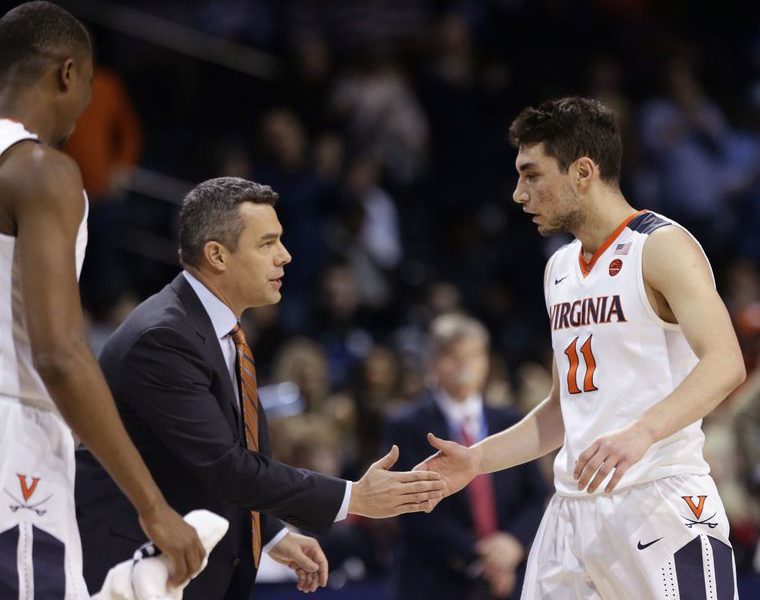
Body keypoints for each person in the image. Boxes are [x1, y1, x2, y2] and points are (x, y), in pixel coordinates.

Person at [415, 97, 746, 599]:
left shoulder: (661, 247)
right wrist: (477, 460)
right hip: (571, 511)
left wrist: (640, 434)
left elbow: (726, 362)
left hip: (659, 500)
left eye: (532, 175)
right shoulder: (560, 268)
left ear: (583, 171)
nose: (518, 193)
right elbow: (562, 410)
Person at [74, 177, 445, 600]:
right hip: (132, 567)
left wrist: (267, 533)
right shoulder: (163, 338)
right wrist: (354, 497)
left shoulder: (213, 328)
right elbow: (224, 467)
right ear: (217, 255)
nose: (285, 256)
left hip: (186, 562)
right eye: (267, 244)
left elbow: (191, 464)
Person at [0, 2, 205, 598]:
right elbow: (61, 355)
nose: (86, 104)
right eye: (88, 86)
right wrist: (152, 506)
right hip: (15, 444)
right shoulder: (40, 170)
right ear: (67, 73)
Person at [385, 313, 548, 600]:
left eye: (473, 355)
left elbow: (537, 496)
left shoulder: (511, 421)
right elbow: (409, 507)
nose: (464, 365)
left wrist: (512, 543)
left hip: (512, 577)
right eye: (452, 356)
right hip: (434, 580)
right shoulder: (406, 425)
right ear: (431, 364)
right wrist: (480, 557)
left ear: (486, 362)